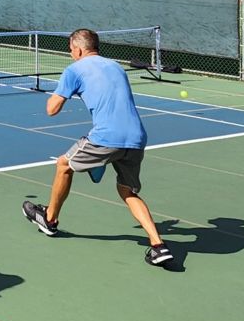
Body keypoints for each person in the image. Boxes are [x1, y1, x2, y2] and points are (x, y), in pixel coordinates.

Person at [21, 28, 177, 268]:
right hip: (136, 137)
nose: (71, 53)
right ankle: (158, 246)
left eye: (71, 49)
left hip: (106, 138)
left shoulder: (74, 70)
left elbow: (51, 110)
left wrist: (60, 92)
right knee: (128, 192)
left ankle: (49, 220)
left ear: (79, 49)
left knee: (63, 164)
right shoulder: (115, 66)